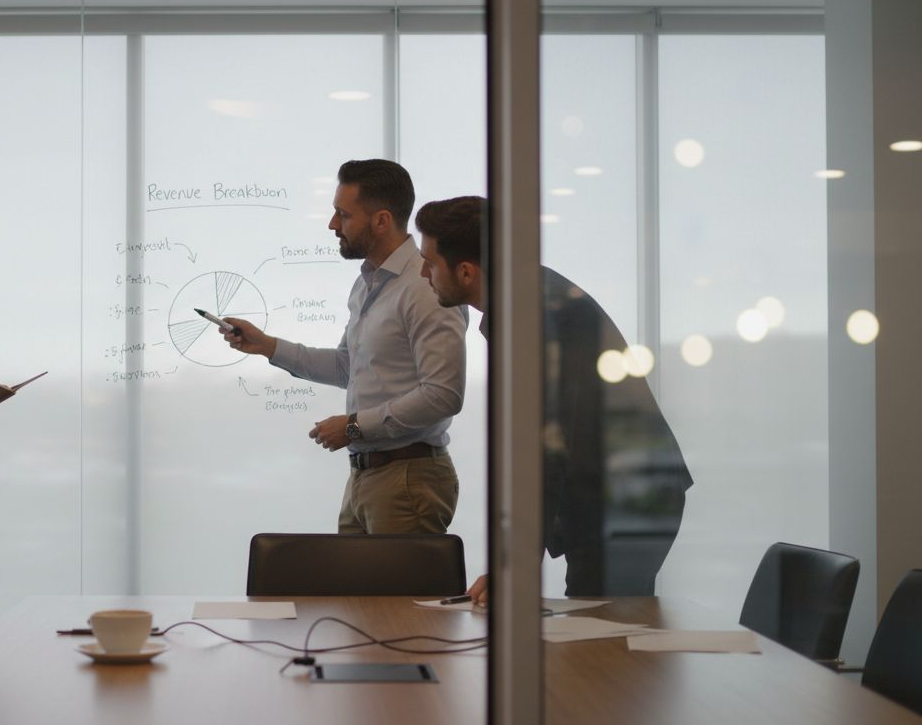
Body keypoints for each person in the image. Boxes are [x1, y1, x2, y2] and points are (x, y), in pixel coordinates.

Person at [413, 195, 692, 601]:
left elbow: (546, 447)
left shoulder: (535, 315)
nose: (422, 273)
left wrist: (514, 566)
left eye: (429, 261)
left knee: (601, 636)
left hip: (630, 498)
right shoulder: (525, 299)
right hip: (618, 493)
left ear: (467, 271)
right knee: (595, 628)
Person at [222, 159, 468, 534]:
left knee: (396, 594)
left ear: (382, 220)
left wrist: (353, 428)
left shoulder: (424, 286)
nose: (333, 225)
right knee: (355, 594)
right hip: (367, 476)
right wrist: (267, 346)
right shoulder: (369, 283)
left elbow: (443, 396)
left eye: (343, 214)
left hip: (406, 479)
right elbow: (345, 367)